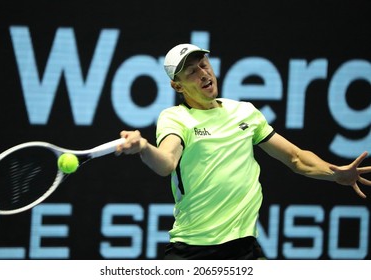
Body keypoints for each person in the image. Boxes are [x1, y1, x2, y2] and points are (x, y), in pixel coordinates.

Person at [115, 43, 371, 260]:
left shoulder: (245, 112)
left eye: (204, 65)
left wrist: (334, 174)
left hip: (244, 247)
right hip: (192, 250)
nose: (203, 74)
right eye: (192, 72)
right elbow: (166, 162)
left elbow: (296, 158)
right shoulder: (175, 118)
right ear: (177, 87)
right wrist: (144, 148)